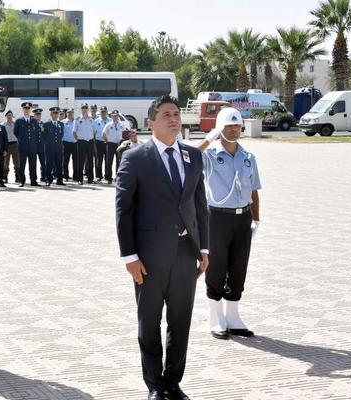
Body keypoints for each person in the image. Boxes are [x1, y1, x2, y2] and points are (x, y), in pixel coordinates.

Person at [115, 95, 209, 400]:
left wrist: (204, 249)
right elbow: (124, 210)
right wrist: (130, 256)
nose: (174, 119)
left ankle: (173, 382)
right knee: (149, 322)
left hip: (185, 253)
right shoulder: (135, 158)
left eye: (177, 114)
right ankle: (154, 385)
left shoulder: (193, 156)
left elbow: (200, 206)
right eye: (166, 114)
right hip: (149, 257)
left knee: (180, 322)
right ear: (151, 122)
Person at [196, 107, 261, 340]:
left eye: (237, 125)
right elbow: (187, 160)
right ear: (219, 128)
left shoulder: (248, 157)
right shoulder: (209, 155)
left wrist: (256, 219)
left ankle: (233, 317)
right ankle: (216, 317)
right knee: (216, 268)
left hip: (242, 218)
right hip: (217, 218)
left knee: (238, 267)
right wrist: (208, 139)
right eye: (228, 126)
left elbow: (254, 190)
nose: (233, 129)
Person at [13, 102, 40, 187]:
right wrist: (22, 139)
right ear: (22, 109)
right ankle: (22, 181)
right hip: (22, 146)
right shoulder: (19, 120)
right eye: (25, 108)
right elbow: (15, 132)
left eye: (28, 109)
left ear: (30, 110)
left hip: (32, 146)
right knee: (22, 164)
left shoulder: (34, 120)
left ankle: (33, 181)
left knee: (33, 164)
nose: (27, 110)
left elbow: (37, 132)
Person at [73, 104, 96, 184]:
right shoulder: (77, 119)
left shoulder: (92, 120)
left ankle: (90, 179)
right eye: (83, 108)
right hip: (81, 142)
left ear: (88, 109)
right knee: (80, 161)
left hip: (90, 142)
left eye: (86, 108)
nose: (85, 109)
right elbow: (74, 132)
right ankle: (80, 179)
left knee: (90, 161)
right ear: (81, 109)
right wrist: (79, 139)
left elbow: (94, 131)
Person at [42, 107, 64, 186]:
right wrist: (47, 144)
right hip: (49, 148)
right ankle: (48, 179)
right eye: (54, 113)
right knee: (49, 164)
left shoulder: (61, 124)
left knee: (59, 164)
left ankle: (59, 180)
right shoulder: (46, 124)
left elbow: (61, 135)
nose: (55, 115)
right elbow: (43, 136)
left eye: (57, 113)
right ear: (51, 114)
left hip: (58, 148)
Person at [102, 110, 124, 184]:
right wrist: (107, 141)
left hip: (119, 145)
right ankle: (109, 178)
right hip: (110, 144)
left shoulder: (122, 125)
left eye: (117, 116)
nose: (115, 117)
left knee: (119, 162)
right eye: (114, 116)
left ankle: (118, 177)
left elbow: (125, 134)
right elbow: (103, 134)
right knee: (109, 162)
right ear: (111, 116)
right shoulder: (108, 125)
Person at [94, 106, 111, 182]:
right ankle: (99, 176)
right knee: (99, 160)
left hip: (108, 142)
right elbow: (94, 133)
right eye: (102, 112)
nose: (103, 113)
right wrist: (94, 144)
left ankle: (107, 176)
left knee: (108, 160)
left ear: (107, 112)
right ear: (100, 112)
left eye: (104, 111)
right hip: (99, 142)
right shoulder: (96, 121)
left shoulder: (110, 121)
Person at [2, 110, 19, 183]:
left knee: (17, 161)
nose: (9, 116)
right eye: (8, 115)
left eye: (10, 115)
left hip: (15, 144)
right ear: (6, 116)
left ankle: (17, 176)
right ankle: (5, 177)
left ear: (12, 116)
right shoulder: (3, 125)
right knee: (6, 162)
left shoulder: (16, 124)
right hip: (7, 145)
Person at [61, 109, 77, 182]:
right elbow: (60, 133)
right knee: (65, 161)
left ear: (73, 113)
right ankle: (65, 176)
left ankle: (75, 176)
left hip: (75, 143)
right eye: (69, 113)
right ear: (66, 114)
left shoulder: (76, 121)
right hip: (66, 143)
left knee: (76, 161)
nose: (70, 114)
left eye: (71, 113)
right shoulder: (63, 122)